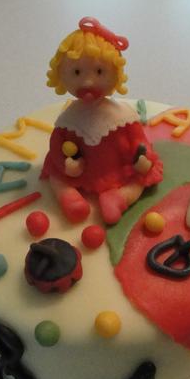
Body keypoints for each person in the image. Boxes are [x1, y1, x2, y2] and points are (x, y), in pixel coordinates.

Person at [41, 17, 163, 224]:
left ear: (116, 73)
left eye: (99, 71)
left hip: (117, 167)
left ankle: (119, 198)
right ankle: (69, 198)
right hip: (80, 170)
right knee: (56, 176)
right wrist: (66, 164)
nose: (88, 81)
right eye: (77, 72)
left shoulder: (122, 116)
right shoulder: (68, 120)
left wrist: (142, 158)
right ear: (61, 75)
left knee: (140, 178)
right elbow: (57, 145)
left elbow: (138, 140)